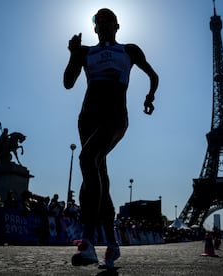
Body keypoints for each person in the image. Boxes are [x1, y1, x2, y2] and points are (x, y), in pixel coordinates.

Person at [63, 8, 159, 269]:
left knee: (86, 158)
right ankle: (113, 246)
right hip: (88, 119)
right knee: (98, 176)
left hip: (115, 118)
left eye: (108, 21)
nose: (103, 25)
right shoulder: (85, 52)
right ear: (94, 28)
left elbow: (153, 75)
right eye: (98, 22)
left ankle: (88, 241)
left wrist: (149, 97)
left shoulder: (130, 50)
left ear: (117, 26)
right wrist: (73, 55)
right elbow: (68, 82)